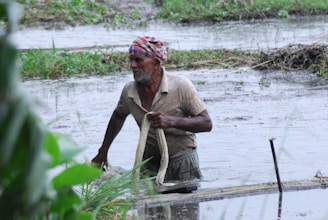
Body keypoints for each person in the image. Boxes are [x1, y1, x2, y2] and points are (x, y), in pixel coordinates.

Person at [91, 36, 212, 186]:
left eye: (138, 60)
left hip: (182, 163)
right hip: (148, 164)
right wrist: (103, 151)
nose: (132, 65)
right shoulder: (129, 91)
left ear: (155, 63)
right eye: (131, 60)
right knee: (147, 206)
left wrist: (171, 121)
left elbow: (206, 123)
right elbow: (118, 115)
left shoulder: (181, 86)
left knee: (183, 206)